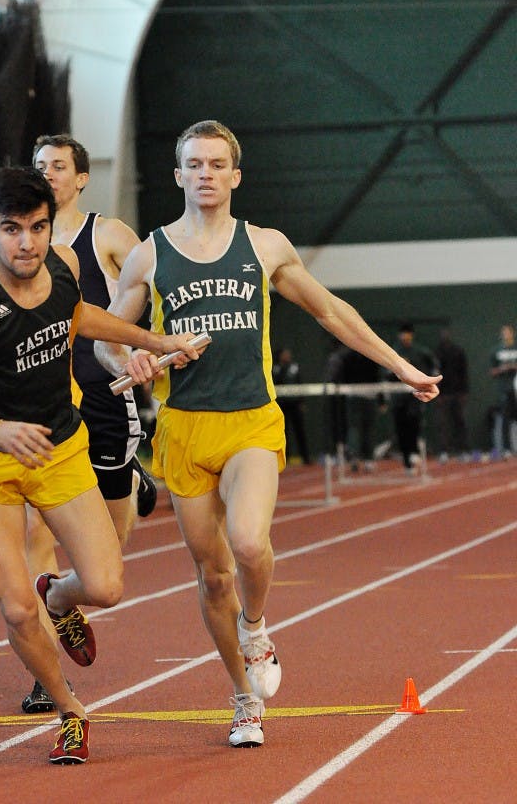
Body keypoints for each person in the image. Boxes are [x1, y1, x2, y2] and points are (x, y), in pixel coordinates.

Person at [94, 120, 441, 749]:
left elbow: (331, 311)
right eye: (193, 164)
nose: (205, 174)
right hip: (183, 430)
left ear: (235, 175)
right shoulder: (150, 253)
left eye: (216, 164)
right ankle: (242, 697)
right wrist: (132, 361)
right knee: (213, 575)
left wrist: (399, 367)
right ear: (178, 175)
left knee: (249, 544)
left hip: (252, 419)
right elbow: (106, 342)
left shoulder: (265, 246)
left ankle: (256, 626)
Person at [0, 166, 202, 765]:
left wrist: (156, 342)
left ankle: (59, 598)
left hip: (60, 445)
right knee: (15, 607)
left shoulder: (63, 263)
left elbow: (82, 317)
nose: (27, 243)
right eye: (12, 230)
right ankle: (70, 710)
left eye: (37, 228)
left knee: (106, 586)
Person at [19, 133, 156, 715]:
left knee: (107, 552)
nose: (47, 174)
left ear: (80, 179)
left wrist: (150, 346)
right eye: (38, 166)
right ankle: (44, 662)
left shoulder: (108, 234)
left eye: (58, 167)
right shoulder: (20, 242)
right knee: (36, 532)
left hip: (101, 393)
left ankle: (131, 480)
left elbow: (158, 279)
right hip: (43, 404)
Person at [389, 323, 438, 472]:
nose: (405, 336)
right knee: (401, 429)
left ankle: (414, 453)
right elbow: (387, 374)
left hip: (415, 398)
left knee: (414, 426)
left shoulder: (421, 352)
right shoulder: (394, 353)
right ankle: (407, 461)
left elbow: (434, 367)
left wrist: (429, 380)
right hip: (398, 398)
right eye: (403, 333)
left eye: (407, 333)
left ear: (411, 335)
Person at [435, 327, 470, 462]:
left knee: (459, 422)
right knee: (443, 424)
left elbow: (464, 372)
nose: (445, 337)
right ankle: (444, 451)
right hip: (443, 394)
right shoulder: (437, 353)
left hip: (457, 393)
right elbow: (435, 373)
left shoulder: (458, 351)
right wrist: (438, 394)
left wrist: (464, 392)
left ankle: (463, 451)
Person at [271, 346, 310, 464]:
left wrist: (301, 402)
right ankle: (285, 457)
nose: (287, 356)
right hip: (282, 404)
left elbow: (300, 383)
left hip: (295, 404)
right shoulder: (275, 369)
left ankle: (306, 457)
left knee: (300, 431)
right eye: (285, 354)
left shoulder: (295, 367)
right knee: (284, 432)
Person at [489, 323, 517, 457]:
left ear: (513, 333)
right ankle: (506, 449)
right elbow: (492, 371)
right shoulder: (496, 351)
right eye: (504, 332)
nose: (506, 334)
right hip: (505, 390)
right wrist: (503, 368)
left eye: (508, 332)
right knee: (505, 419)